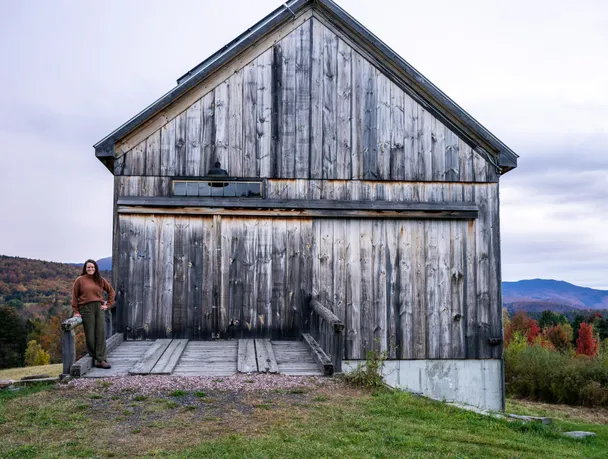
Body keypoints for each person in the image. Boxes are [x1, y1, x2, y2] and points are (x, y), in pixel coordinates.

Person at [72, 259, 115, 369]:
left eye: (92, 267)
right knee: (90, 336)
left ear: (95, 269)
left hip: (99, 308)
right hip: (86, 309)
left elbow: (111, 291)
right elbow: (74, 296)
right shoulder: (80, 280)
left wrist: (108, 304)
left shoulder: (99, 280)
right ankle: (95, 357)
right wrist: (76, 311)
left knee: (100, 333)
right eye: (88, 267)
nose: (90, 269)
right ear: (85, 269)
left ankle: (101, 359)